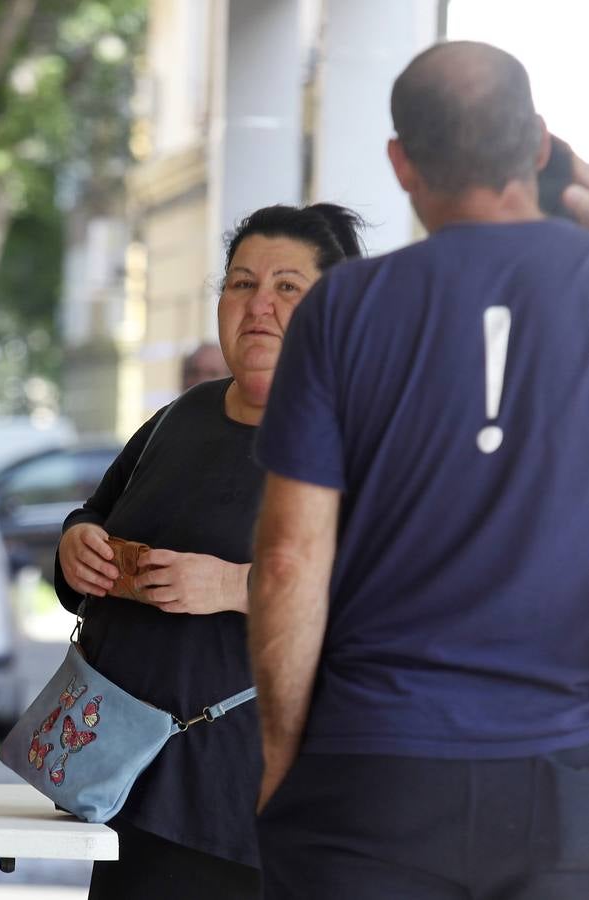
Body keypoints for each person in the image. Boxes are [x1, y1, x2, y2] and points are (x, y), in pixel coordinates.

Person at [250, 41, 589, 899]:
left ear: (400, 163)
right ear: (539, 144)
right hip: (563, 778)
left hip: (372, 772)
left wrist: (282, 750)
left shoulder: (344, 306)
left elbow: (290, 558)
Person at [55, 203, 364, 900]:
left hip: (244, 808)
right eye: (240, 283)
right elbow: (96, 511)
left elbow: (380, 599)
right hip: (119, 783)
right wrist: (76, 546)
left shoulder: (355, 439)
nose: (259, 306)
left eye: (288, 287)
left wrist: (234, 587)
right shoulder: (180, 416)